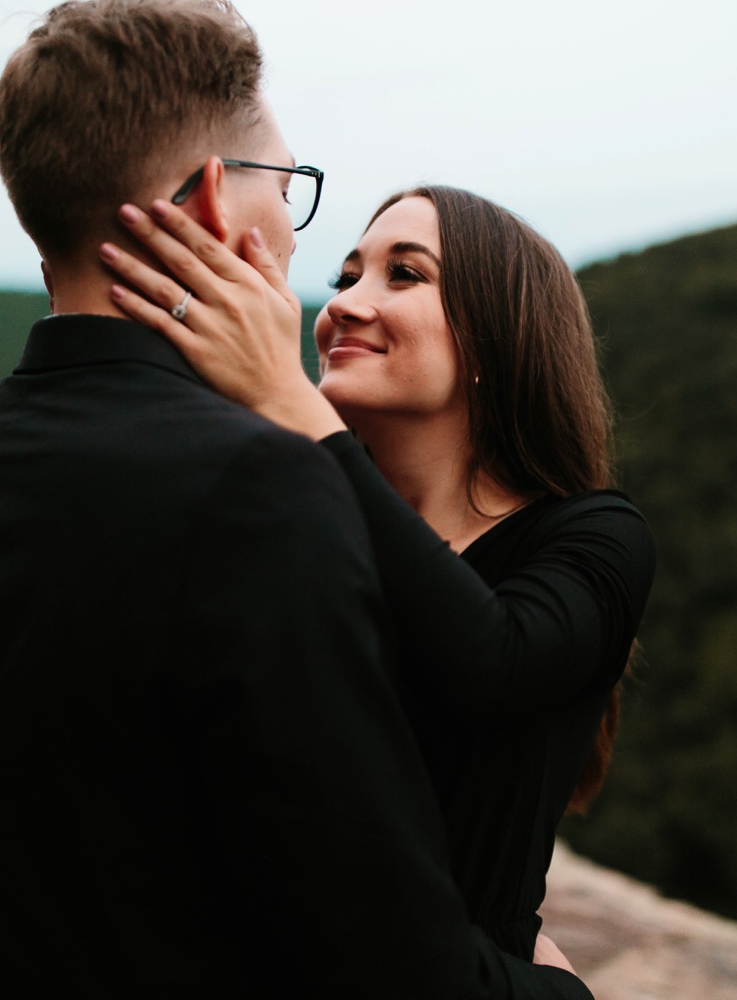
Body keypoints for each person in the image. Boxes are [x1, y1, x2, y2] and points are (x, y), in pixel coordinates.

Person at [0, 1, 597, 997]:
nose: (300, 251)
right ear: (215, 200)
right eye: (287, 191)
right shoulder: (259, 490)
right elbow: (391, 960)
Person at [100, 184, 656, 963]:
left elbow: (489, 662)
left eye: (404, 275)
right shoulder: (292, 520)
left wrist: (289, 399)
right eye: (345, 278)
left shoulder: (593, 536)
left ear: (497, 338)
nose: (343, 308)